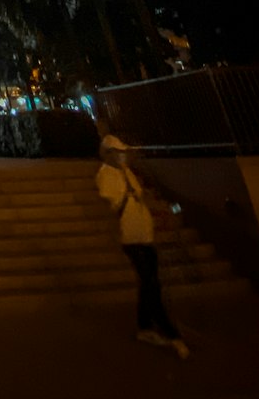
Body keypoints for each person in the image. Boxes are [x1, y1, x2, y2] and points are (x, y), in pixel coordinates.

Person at [96, 135, 189, 358]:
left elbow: (140, 197)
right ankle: (171, 333)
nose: (122, 156)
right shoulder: (105, 175)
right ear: (108, 153)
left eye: (123, 152)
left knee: (150, 283)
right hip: (129, 237)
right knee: (150, 283)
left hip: (144, 234)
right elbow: (113, 202)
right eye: (117, 152)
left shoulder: (126, 171)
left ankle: (145, 327)